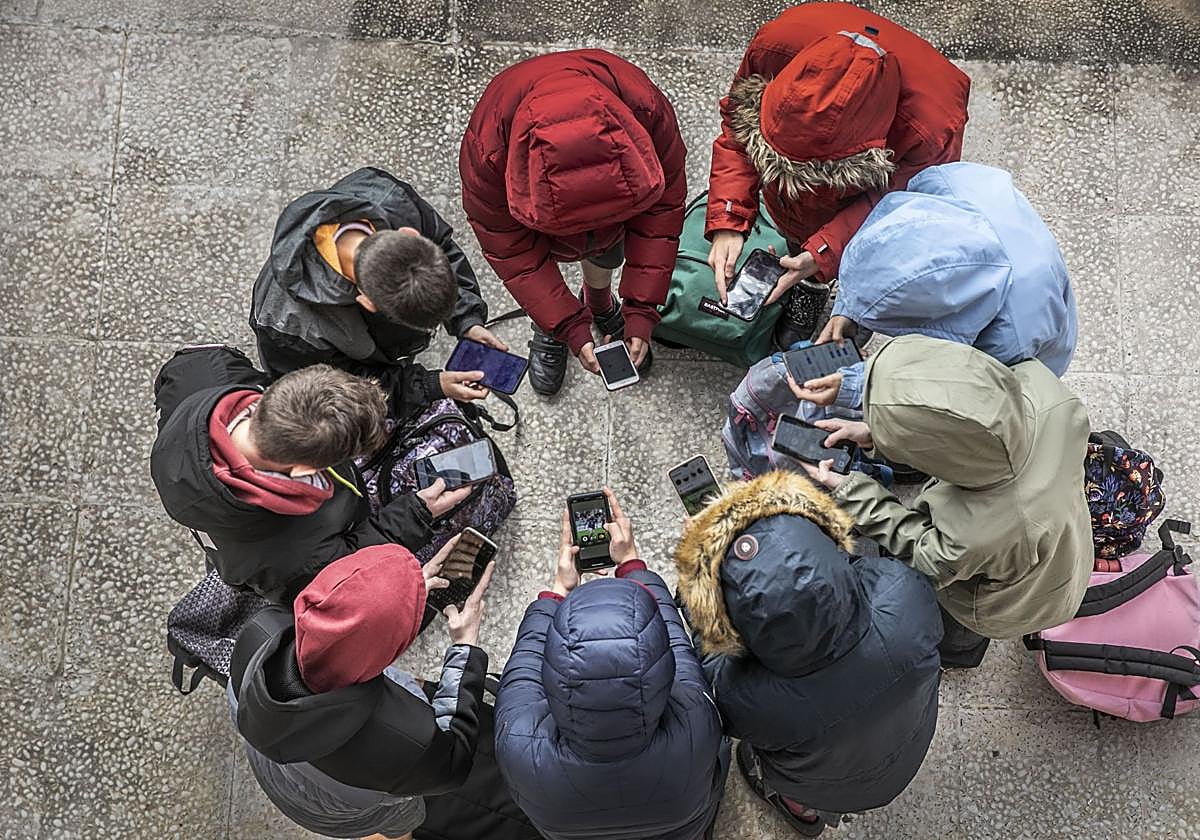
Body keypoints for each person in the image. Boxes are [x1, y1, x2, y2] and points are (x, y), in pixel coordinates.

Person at [674, 470, 942, 837]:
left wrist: (697, 604)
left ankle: (800, 810)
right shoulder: (906, 594)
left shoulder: (746, 700)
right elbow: (859, 571)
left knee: (783, 768)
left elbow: (712, 667)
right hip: (907, 751)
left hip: (819, 782)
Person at [802, 335, 1093, 668]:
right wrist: (875, 433)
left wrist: (850, 489)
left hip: (1015, 600)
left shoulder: (976, 534)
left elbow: (924, 551)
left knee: (960, 624)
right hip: (1067, 541)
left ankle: (957, 654)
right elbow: (959, 411)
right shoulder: (1047, 392)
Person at [705, 2, 970, 348]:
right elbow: (740, 130)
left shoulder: (931, 127)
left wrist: (824, 251)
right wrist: (729, 215)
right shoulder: (773, 47)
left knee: (876, 248)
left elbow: (897, 207)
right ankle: (810, 274)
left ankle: (847, 297)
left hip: (887, 177)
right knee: (800, 237)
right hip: (813, 194)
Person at [150, 345, 469, 604]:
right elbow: (347, 570)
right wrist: (414, 516)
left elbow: (172, 376)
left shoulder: (207, 368)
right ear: (304, 471)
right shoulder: (292, 563)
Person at [495, 489, 729, 839]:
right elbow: (678, 646)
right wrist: (632, 564)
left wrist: (558, 590)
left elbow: (523, 667)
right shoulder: (699, 722)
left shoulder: (517, 746)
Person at [227, 539, 497, 839]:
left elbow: (341, 618)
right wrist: (464, 645)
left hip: (276, 778)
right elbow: (454, 762)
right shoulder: (407, 738)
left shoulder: (259, 631)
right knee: (405, 821)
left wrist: (398, 591)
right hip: (348, 814)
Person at [460, 49, 687, 396]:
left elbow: (662, 212)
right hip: (548, 232)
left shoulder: (646, 112)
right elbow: (514, 253)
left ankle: (597, 302)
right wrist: (565, 324)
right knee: (545, 281)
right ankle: (549, 326)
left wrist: (640, 308)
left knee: (606, 253)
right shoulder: (489, 151)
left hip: (587, 228)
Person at [790, 162, 1078, 411]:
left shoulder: (1012, 339)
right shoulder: (947, 182)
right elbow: (885, 246)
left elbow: (961, 389)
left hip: (1034, 348)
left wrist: (864, 386)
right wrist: (849, 306)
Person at [250, 166, 504, 419]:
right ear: (367, 302)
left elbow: (444, 247)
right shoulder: (285, 324)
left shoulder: (391, 197)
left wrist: (467, 319)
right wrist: (428, 386)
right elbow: (335, 394)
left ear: (409, 234)